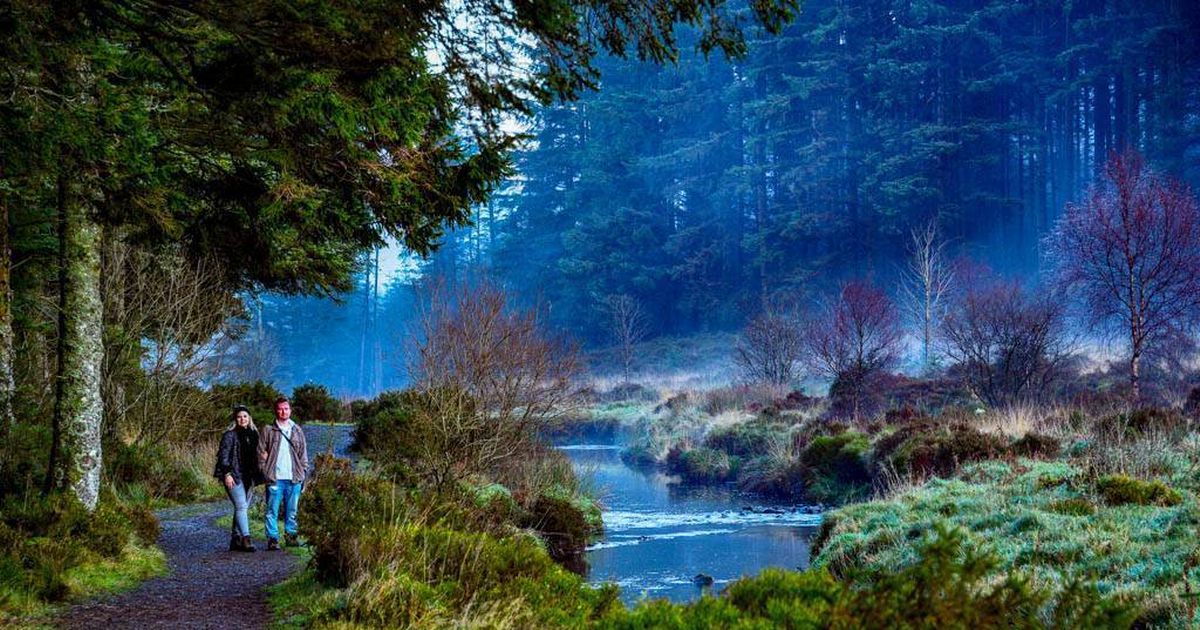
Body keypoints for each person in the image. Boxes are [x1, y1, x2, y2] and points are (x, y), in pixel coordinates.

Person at [258, 396, 308, 550]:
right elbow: (260, 453)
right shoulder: (268, 430)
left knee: (292, 510)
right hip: (275, 478)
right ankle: (273, 539)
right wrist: (265, 472)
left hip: (294, 478)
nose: (283, 411)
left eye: (286, 408)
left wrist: (303, 473)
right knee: (272, 510)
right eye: (280, 409)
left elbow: (303, 454)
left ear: (290, 410)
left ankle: (291, 536)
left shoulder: (297, 430)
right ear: (276, 411)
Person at [213, 405, 264, 552]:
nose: (242, 419)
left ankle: (235, 539)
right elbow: (223, 456)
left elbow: (257, 454)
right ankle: (246, 539)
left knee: (241, 508)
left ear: (249, 418)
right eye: (239, 417)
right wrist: (227, 474)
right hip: (234, 475)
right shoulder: (230, 435)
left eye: (245, 416)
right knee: (241, 506)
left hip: (249, 476)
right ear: (235, 419)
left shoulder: (254, 434)